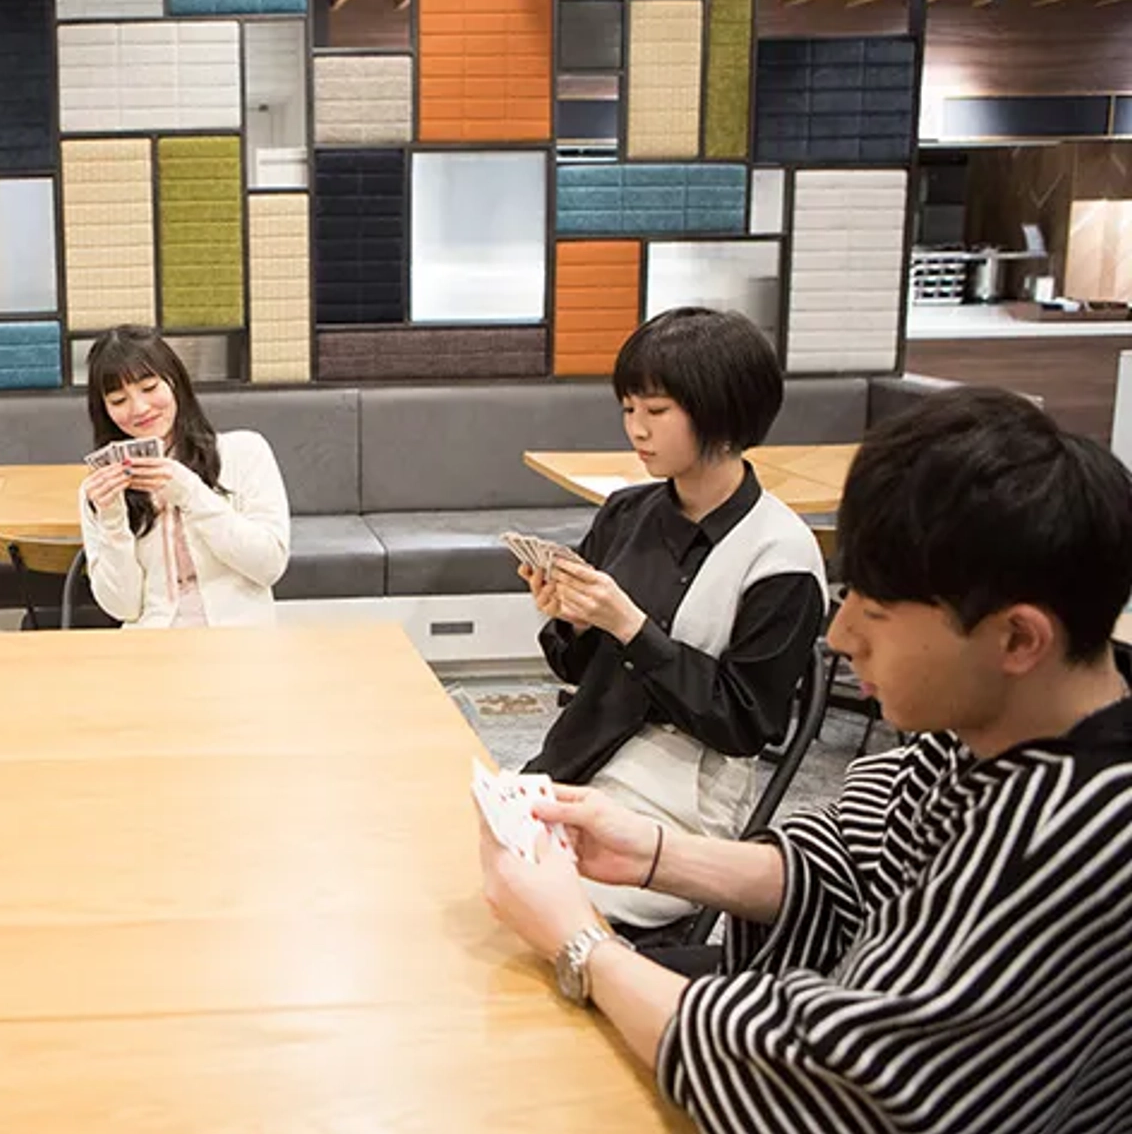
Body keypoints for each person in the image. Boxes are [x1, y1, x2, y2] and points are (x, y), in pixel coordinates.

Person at [480, 386, 1132, 1132]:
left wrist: (583, 943)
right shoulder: (982, 731)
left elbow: (838, 1086)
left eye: (876, 613)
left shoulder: (1073, 840)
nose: (842, 636)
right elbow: (850, 862)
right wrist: (651, 853)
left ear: (1019, 639)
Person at [521, 308, 827, 934]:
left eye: (656, 412)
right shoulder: (628, 512)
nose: (636, 429)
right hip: (581, 758)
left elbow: (745, 723)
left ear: (721, 413)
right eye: (628, 409)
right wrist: (573, 621)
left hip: (679, 803)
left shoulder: (782, 557)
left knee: (534, 894)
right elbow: (577, 669)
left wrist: (632, 627)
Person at [79, 326, 290, 628]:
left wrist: (190, 492)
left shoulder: (245, 452)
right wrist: (112, 518)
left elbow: (268, 566)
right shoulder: (97, 490)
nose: (139, 408)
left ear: (175, 382)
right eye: (118, 400)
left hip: (240, 640)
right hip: (154, 644)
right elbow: (122, 607)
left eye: (150, 388)